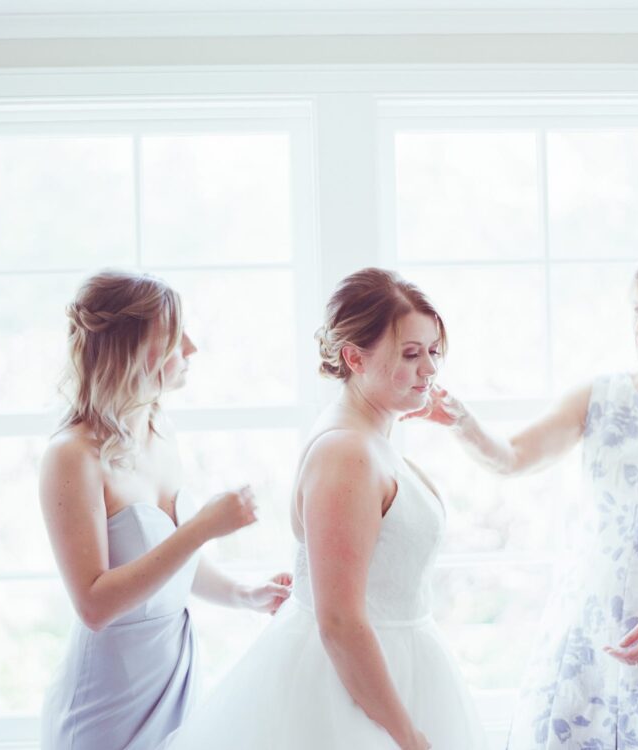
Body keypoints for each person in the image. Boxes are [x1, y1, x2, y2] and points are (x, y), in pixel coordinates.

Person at [406, 251, 638, 750]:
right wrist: (462, 423)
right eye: (637, 309)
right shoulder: (599, 397)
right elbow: (511, 457)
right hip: (590, 630)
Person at [163, 268, 486, 750]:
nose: (430, 370)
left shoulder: (371, 434)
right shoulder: (346, 454)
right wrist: (406, 735)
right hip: (348, 694)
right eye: (411, 354)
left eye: (434, 352)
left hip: (395, 668)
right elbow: (339, 621)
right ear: (355, 357)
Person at [39, 270, 291, 750]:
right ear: (135, 349)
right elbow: (94, 605)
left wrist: (245, 595)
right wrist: (200, 529)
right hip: (108, 701)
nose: (192, 348)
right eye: (177, 337)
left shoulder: (159, 432)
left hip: (174, 680)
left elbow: (168, 565)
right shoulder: (71, 455)